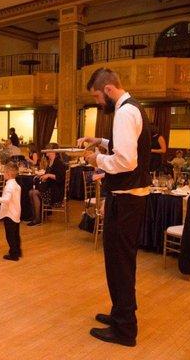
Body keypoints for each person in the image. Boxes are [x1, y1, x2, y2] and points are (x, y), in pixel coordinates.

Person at [77, 67, 151, 347]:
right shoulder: (134, 108)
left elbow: (125, 161)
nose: (98, 102)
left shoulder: (123, 112)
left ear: (108, 90)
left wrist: (96, 159)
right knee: (122, 261)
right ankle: (120, 314)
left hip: (126, 198)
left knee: (119, 263)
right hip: (132, 197)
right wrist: (103, 142)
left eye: (97, 96)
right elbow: (125, 146)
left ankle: (124, 330)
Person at [27, 143, 66, 226]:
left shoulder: (58, 162)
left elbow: (60, 177)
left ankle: (37, 219)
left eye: (48, 149)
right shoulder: (51, 161)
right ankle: (35, 216)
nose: (46, 151)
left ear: (53, 151)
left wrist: (48, 175)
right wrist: (43, 175)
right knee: (31, 192)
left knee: (34, 193)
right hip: (50, 188)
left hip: (55, 192)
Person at [0, 162, 22, 261]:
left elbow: (6, 199)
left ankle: (13, 254)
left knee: (10, 234)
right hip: (16, 212)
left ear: (8, 173)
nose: (3, 174)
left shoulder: (9, 186)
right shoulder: (16, 184)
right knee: (16, 233)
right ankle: (17, 250)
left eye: (4, 172)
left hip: (9, 213)